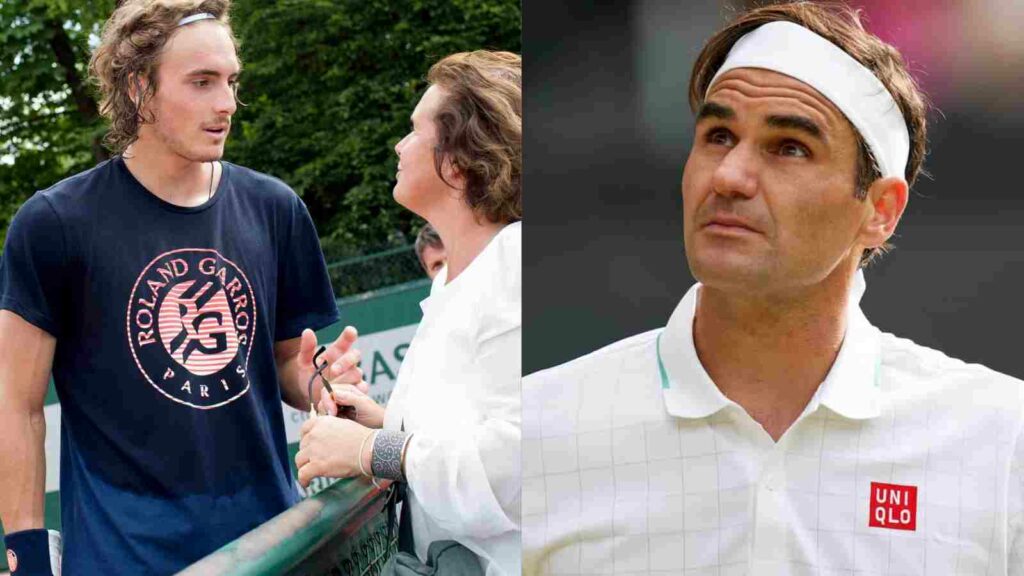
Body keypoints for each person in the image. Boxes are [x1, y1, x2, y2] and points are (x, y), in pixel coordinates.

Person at [522, 3, 1024, 575]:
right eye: (717, 135)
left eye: (789, 147)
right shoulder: (539, 426)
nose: (729, 176)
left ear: (880, 211)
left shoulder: (1003, 438)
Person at [0, 1, 365, 574]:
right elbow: (16, 405)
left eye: (230, 81)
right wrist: (25, 552)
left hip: (274, 547)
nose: (226, 104)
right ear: (140, 89)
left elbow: (290, 367)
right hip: (124, 558)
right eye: (201, 82)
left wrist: (322, 382)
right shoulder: (54, 224)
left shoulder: (275, 208)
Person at [296, 51, 522, 576]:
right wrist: (375, 419)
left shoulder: (518, 262)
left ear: (459, 158)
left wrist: (373, 448)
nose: (399, 146)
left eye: (414, 130)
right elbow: (471, 425)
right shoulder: (451, 278)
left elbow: (518, 466)